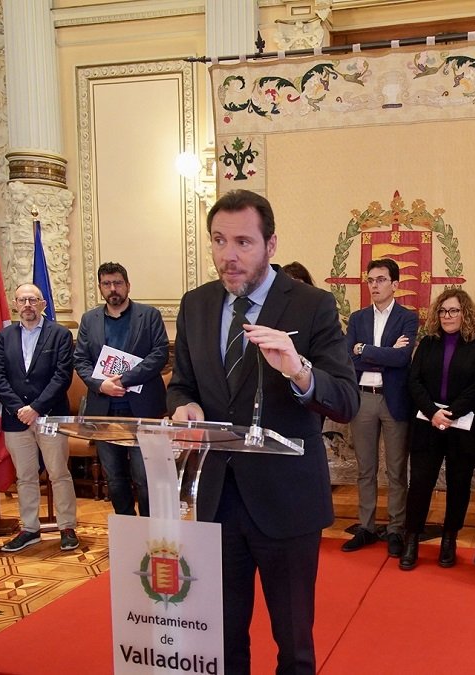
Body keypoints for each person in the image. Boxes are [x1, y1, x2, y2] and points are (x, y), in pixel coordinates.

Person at [168, 189, 358, 674]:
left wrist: (299, 370)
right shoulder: (195, 305)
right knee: (223, 636)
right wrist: (184, 406)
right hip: (216, 498)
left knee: (293, 644)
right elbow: (183, 384)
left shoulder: (312, 305)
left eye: (243, 242)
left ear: (271, 245)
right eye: (218, 240)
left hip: (286, 501)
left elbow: (345, 400)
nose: (228, 256)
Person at [398, 288, 475, 571]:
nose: (447, 316)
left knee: (458, 485)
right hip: (427, 424)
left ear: (465, 313)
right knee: (420, 483)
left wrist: (449, 414)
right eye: (442, 311)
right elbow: (414, 381)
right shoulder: (428, 343)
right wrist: (433, 412)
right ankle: (412, 538)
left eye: (453, 311)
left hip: (463, 428)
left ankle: (449, 538)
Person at [74, 261, 168, 517]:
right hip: (104, 411)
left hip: (143, 410)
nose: (112, 288)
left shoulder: (149, 315)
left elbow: (159, 354)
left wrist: (124, 380)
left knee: (144, 476)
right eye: (106, 284)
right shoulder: (89, 319)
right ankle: (127, 528)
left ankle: (150, 528)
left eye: (117, 283)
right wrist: (100, 385)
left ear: (128, 285)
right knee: (115, 478)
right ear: (100, 288)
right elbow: (80, 360)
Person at [0, 283, 79, 553]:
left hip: (50, 416)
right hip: (16, 418)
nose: (27, 305)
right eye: (22, 300)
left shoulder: (60, 334)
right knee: (25, 476)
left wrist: (36, 408)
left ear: (43, 304)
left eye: (33, 300)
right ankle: (29, 529)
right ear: (15, 304)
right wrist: (20, 408)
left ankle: (67, 527)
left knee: (58, 473)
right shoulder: (4, 336)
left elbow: (62, 376)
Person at [343, 258, 418, 556]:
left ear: (395, 284)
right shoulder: (357, 318)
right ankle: (366, 527)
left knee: (396, 470)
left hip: (394, 398)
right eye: (371, 280)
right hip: (363, 398)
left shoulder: (407, 318)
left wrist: (365, 350)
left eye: (381, 279)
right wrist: (383, 353)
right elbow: (349, 358)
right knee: (366, 468)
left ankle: (396, 529)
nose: (374, 285)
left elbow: (402, 359)